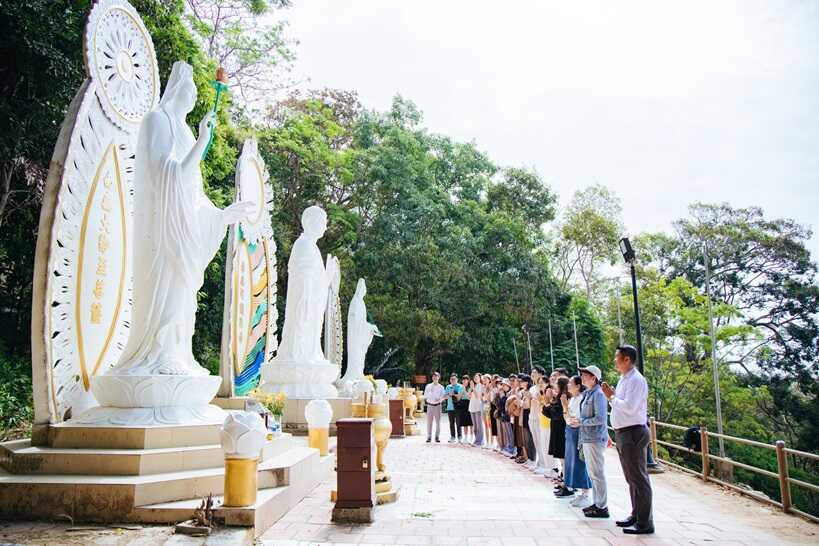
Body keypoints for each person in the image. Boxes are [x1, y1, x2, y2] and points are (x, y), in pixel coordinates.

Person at [601, 345, 654, 535]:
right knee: (631, 477)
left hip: (633, 432)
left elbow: (630, 408)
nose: (615, 361)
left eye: (617, 357)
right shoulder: (624, 379)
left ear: (627, 360)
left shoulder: (637, 380)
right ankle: (636, 514)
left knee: (639, 478)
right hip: (624, 432)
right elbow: (620, 403)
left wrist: (612, 397)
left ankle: (645, 522)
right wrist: (613, 397)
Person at [578, 365, 609, 518]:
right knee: (593, 472)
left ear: (594, 378)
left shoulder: (599, 394)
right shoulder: (587, 394)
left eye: (585, 375)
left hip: (595, 438)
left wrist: (581, 422)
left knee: (597, 472)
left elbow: (601, 418)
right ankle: (597, 503)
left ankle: (602, 505)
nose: (582, 377)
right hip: (587, 437)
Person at [557, 375, 592, 506]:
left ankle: (586, 493)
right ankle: (578, 490)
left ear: (578, 386)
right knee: (572, 461)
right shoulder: (573, 399)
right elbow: (567, 416)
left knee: (580, 461)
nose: (568, 386)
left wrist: (565, 406)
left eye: (571, 383)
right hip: (570, 430)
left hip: (578, 431)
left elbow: (575, 417)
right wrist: (565, 406)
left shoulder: (582, 399)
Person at [547, 377, 568, 481]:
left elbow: (556, 412)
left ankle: (564, 476)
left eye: (556, 383)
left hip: (561, 428)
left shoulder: (563, 397)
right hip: (556, 427)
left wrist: (549, 404)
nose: (554, 384)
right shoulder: (558, 397)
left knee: (562, 453)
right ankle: (562, 474)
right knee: (560, 455)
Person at [423, 371, 446, 443]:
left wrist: (439, 400)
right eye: (434, 376)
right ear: (432, 378)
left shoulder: (441, 387)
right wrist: (430, 394)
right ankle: (429, 437)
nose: (435, 378)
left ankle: (437, 436)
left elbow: (443, 397)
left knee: (438, 422)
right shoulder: (428, 386)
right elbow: (425, 396)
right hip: (430, 405)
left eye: (436, 376)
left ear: (439, 377)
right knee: (429, 422)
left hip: (438, 406)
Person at [444, 373, 463, 443]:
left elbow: (460, 396)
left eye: (454, 379)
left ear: (457, 379)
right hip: (450, 408)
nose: (453, 380)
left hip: (458, 407)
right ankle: (452, 437)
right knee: (451, 423)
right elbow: (445, 397)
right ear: (450, 380)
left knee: (458, 423)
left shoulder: (460, 386)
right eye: (451, 379)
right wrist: (449, 395)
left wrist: (454, 394)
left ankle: (460, 437)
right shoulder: (448, 387)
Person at [469, 372, 485, 447]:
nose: (475, 378)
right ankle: (476, 440)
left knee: (479, 425)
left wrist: (473, 388)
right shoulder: (474, 386)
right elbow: (469, 397)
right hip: (472, 407)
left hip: (478, 407)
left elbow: (478, 396)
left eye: (477, 377)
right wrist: (470, 389)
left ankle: (480, 441)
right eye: (474, 377)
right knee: (475, 426)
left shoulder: (481, 386)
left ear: (480, 378)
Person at [457, 375, 473, 442]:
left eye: (466, 379)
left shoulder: (471, 387)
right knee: (464, 421)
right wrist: (462, 391)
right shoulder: (461, 387)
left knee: (471, 422)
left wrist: (465, 392)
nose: (464, 381)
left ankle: (472, 437)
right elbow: (458, 398)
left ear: (468, 380)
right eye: (463, 380)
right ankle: (466, 437)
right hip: (463, 404)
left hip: (470, 404)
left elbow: (469, 397)